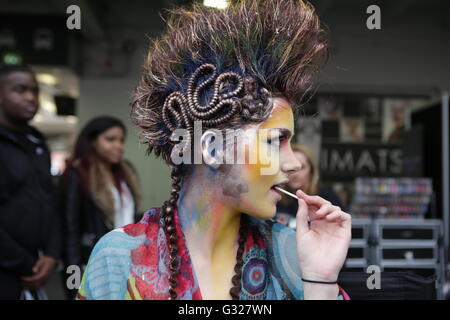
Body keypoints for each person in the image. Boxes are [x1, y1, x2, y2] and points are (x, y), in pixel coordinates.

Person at [77, 0, 352, 300]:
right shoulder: (119, 259)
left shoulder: (292, 253)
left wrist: (320, 280)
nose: (293, 163)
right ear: (212, 148)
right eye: (276, 141)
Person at [58, 116, 141, 299]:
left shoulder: (125, 173)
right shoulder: (78, 174)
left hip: (127, 261)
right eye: (110, 139)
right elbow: (70, 231)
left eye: (121, 140)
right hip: (93, 262)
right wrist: (74, 283)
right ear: (93, 142)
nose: (119, 146)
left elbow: (127, 217)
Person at [0, 64, 61, 299]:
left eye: (34, 91)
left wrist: (51, 255)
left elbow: (50, 201)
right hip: (10, 267)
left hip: (36, 264)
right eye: (20, 90)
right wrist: (25, 263)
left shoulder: (38, 142)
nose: (31, 98)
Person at [276, 143, 344, 226]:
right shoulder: (276, 199)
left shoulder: (327, 198)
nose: (295, 174)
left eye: (301, 167)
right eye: (290, 168)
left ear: (311, 171)